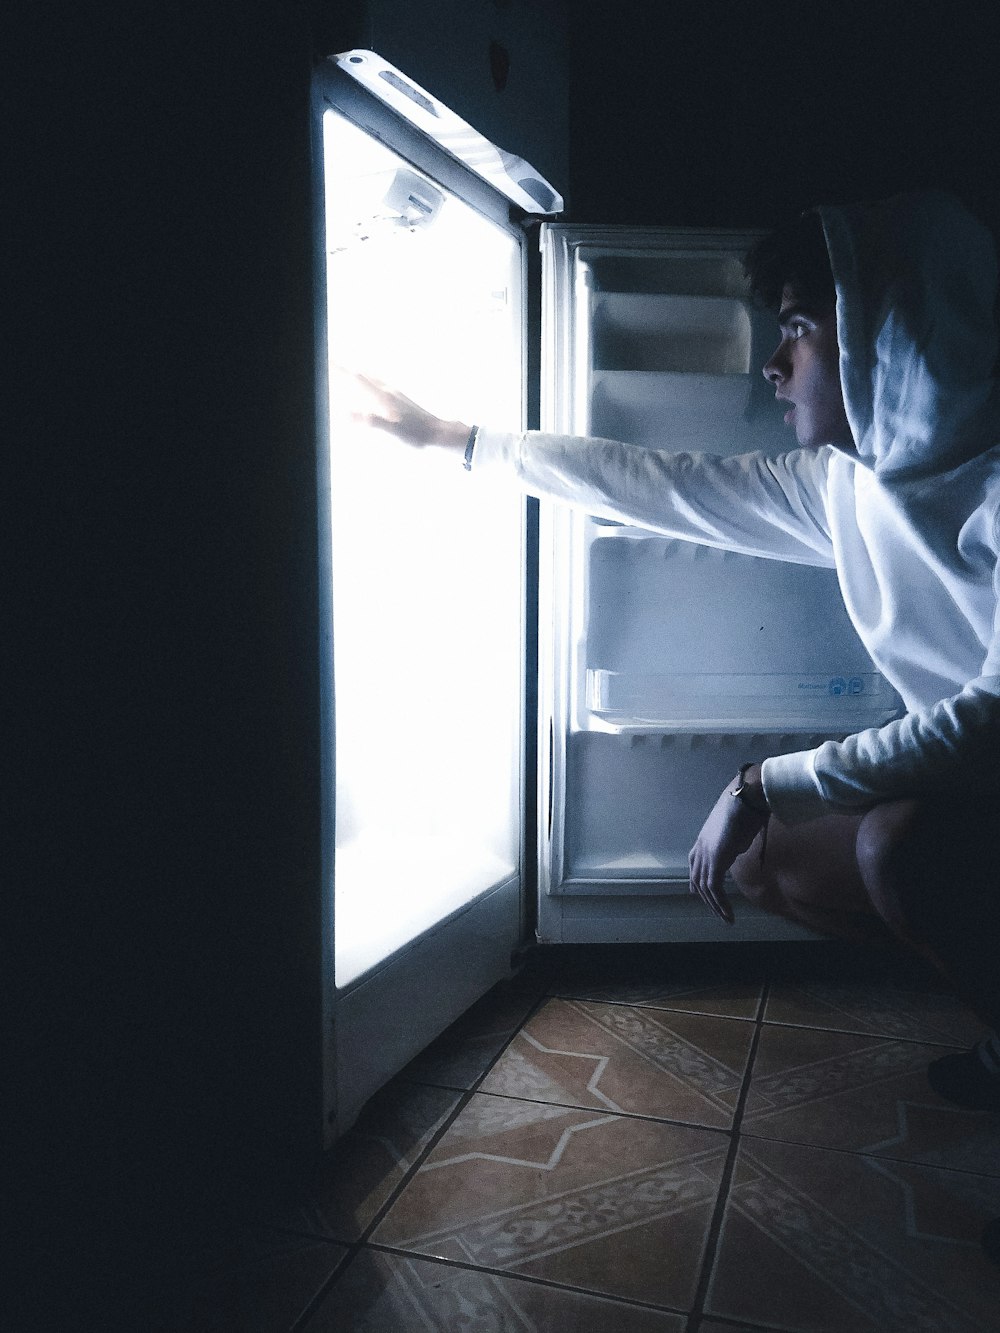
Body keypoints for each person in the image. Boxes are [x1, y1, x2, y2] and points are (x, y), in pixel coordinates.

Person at [352, 190, 1000, 1261]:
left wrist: (764, 780)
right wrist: (456, 442)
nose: (773, 364)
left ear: (890, 329)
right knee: (760, 873)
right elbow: (661, 485)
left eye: (798, 328)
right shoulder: (844, 486)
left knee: (897, 843)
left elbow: (993, 714)